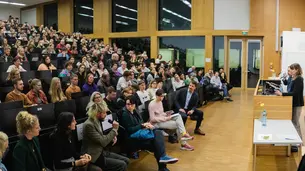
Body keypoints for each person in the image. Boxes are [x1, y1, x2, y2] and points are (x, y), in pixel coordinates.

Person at [120, 96, 178, 171]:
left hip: (140, 133)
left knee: (158, 133)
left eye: (131, 104)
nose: (129, 106)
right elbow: (129, 130)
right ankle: (163, 166)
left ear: (135, 104)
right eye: (127, 104)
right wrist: (142, 126)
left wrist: (146, 125)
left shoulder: (135, 111)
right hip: (132, 138)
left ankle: (163, 162)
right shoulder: (125, 114)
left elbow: (141, 123)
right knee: (157, 145)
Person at [82, 102, 129, 171]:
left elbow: (102, 137)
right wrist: (114, 129)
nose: (106, 115)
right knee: (122, 164)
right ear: (97, 113)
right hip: (94, 154)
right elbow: (103, 142)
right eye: (104, 113)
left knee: (126, 160)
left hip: (101, 151)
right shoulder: (88, 125)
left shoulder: (97, 120)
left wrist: (112, 137)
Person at [275, 63, 304, 143]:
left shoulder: (299, 79)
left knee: (295, 122)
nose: (290, 71)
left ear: (297, 70)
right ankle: (293, 140)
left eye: (292, 69)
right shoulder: (292, 77)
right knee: (292, 121)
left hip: (297, 104)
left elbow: (295, 93)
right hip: (291, 102)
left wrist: (282, 94)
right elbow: (286, 83)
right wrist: (284, 78)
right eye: (289, 69)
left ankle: (299, 142)